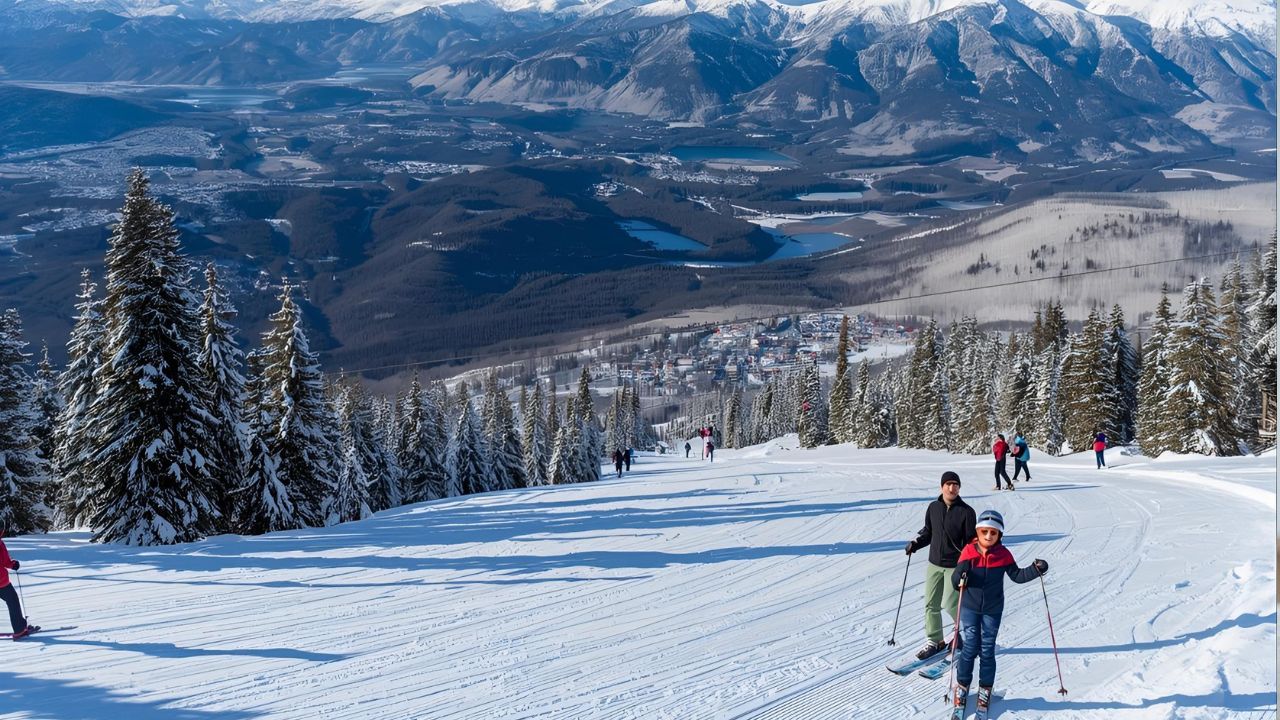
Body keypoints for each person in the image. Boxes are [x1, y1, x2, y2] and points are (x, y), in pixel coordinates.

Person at [949, 510, 1049, 716]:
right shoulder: (968, 552)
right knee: (969, 648)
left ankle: (985, 691)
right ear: (978, 531)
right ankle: (962, 687)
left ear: (999, 535)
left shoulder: (1003, 555)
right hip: (969, 607)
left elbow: (1017, 576)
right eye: (984, 531)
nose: (988, 536)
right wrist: (961, 574)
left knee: (987, 650)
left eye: (993, 533)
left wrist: (1035, 569)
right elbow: (955, 581)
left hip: (992, 610)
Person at [904, 471, 976, 660]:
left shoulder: (967, 512)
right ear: (942, 486)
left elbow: (971, 543)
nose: (952, 488)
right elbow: (929, 532)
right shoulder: (933, 507)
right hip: (934, 563)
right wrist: (916, 544)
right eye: (949, 484)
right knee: (931, 605)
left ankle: (969, 635)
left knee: (951, 604)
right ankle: (935, 640)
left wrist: (968, 565)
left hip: (956, 565)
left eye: (956, 485)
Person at [0, 531, 32, 640]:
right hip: (1, 582)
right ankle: (19, 629)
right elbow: (5, 561)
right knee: (13, 601)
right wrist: (13, 564)